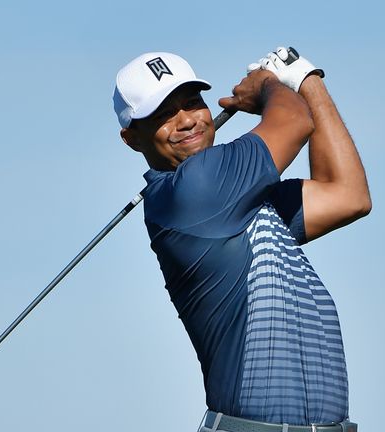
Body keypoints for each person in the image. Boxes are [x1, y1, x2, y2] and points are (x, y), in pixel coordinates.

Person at [113, 47, 371, 432]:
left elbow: (348, 195)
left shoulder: (236, 197)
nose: (187, 121)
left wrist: (307, 82)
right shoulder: (196, 190)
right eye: (164, 114)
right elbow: (296, 121)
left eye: (191, 102)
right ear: (132, 139)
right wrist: (269, 84)